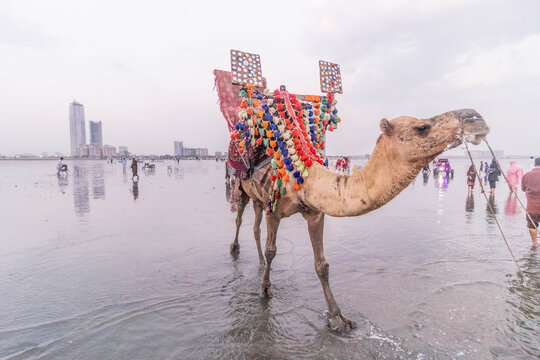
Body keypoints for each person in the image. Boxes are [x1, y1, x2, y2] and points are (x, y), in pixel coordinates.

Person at [521, 157, 540, 248]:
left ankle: (535, 243)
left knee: (532, 225)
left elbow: (523, 189)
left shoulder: (526, 175)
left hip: (532, 207)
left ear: (534, 164)